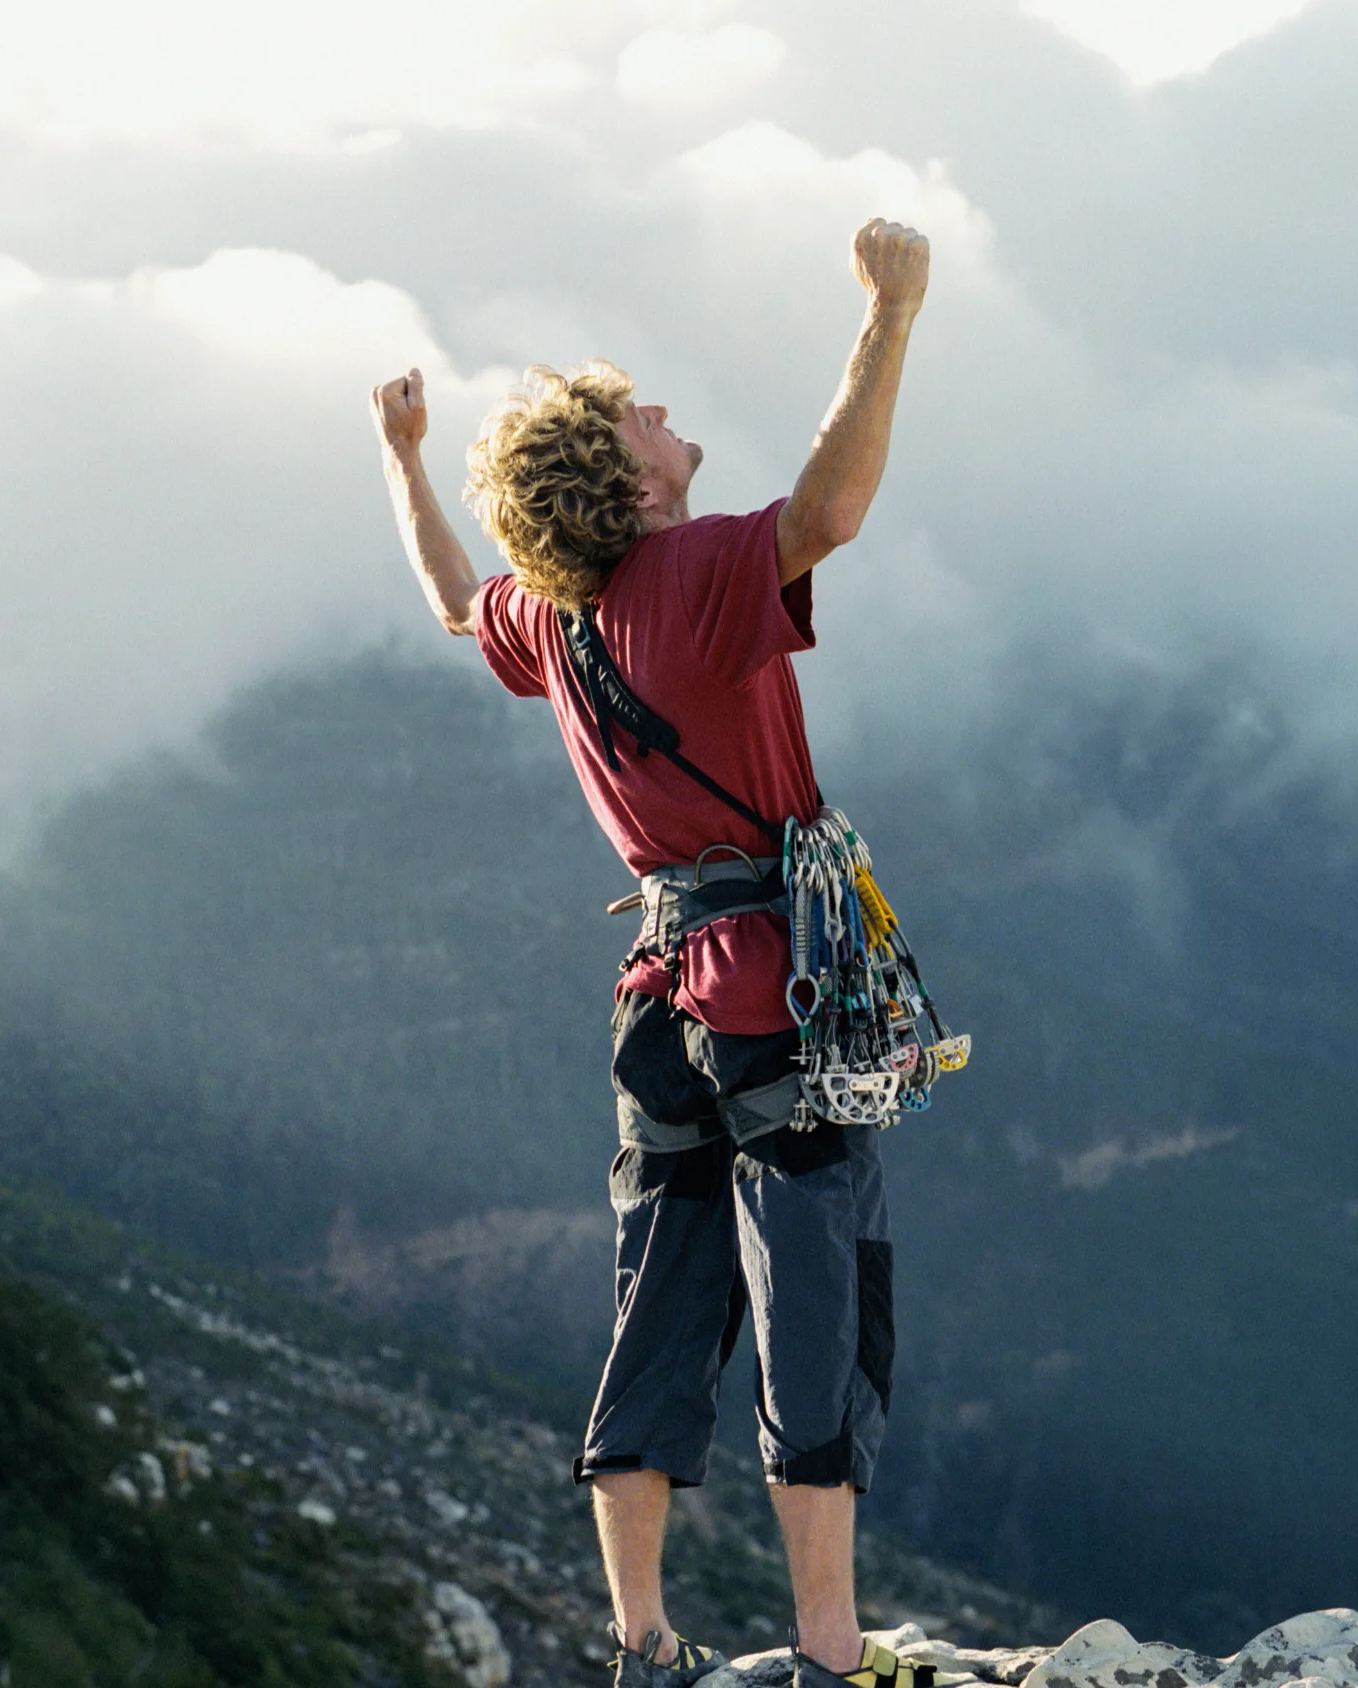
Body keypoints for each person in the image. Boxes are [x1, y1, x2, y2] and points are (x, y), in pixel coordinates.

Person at [368, 217, 935, 1688]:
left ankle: (643, 1645)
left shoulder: (558, 618)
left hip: (657, 996)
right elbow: (828, 511)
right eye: (647, 416)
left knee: (663, 1289)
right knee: (811, 1290)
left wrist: (407, 464)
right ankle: (825, 1650)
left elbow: (448, 598)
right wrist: (893, 311)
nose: (670, 417)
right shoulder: (688, 579)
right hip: (773, 990)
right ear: (631, 480)